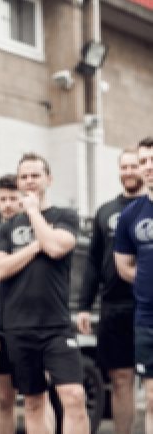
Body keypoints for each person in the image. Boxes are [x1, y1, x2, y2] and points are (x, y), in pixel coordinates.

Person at [0, 153, 89, 434]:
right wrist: (36, 246)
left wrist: (33, 212)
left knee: (74, 396)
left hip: (56, 326)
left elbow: (58, 248)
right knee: (33, 401)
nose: (30, 181)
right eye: (24, 176)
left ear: (49, 179)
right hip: (19, 327)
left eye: (35, 175)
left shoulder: (65, 216)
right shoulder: (6, 228)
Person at [76, 148, 143, 434]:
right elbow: (92, 262)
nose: (128, 172)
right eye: (123, 167)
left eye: (134, 166)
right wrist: (83, 304)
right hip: (114, 306)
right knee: (120, 380)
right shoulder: (106, 211)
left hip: (146, 303)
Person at [114, 136, 153, 433]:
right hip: (147, 318)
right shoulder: (130, 215)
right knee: (151, 398)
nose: (148, 167)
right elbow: (124, 266)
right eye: (144, 162)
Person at [0, 174, 21, 434]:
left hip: (32, 326)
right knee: (4, 399)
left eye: (13, 198)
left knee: (39, 397)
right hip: (1, 329)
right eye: (3, 199)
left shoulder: (35, 232)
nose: (8, 204)